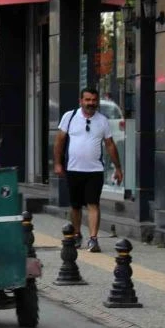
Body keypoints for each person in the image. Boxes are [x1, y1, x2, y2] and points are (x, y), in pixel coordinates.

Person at [53, 87, 123, 253]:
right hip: (73, 169)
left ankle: (93, 238)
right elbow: (59, 142)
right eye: (87, 100)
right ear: (81, 101)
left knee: (93, 203)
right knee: (75, 205)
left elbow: (110, 145)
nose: (91, 103)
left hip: (95, 170)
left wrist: (118, 168)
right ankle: (77, 234)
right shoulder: (69, 117)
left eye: (93, 100)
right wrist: (57, 163)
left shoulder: (102, 121)